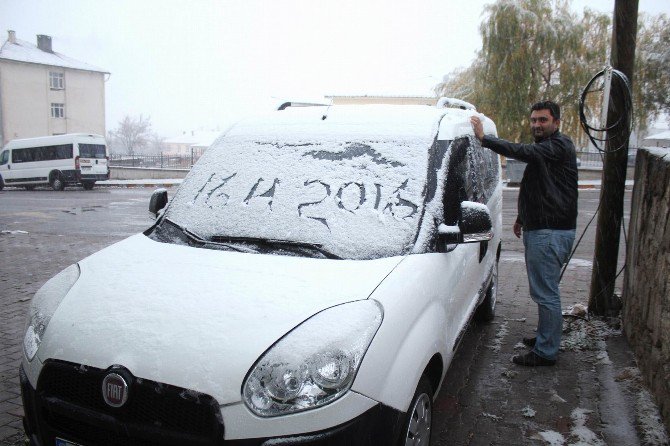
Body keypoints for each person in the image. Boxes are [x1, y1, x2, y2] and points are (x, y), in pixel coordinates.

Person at [470, 101, 577, 367]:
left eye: (542, 120)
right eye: (533, 120)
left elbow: (522, 151)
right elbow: (540, 187)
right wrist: (522, 218)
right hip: (542, 227)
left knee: (545, 293)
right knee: (544, 291)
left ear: (556, 123)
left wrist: (486, 139)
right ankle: (545, 338)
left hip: (550, 232)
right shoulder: (549, 150)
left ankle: (546, 352)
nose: (537, 125)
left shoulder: (558, 146)